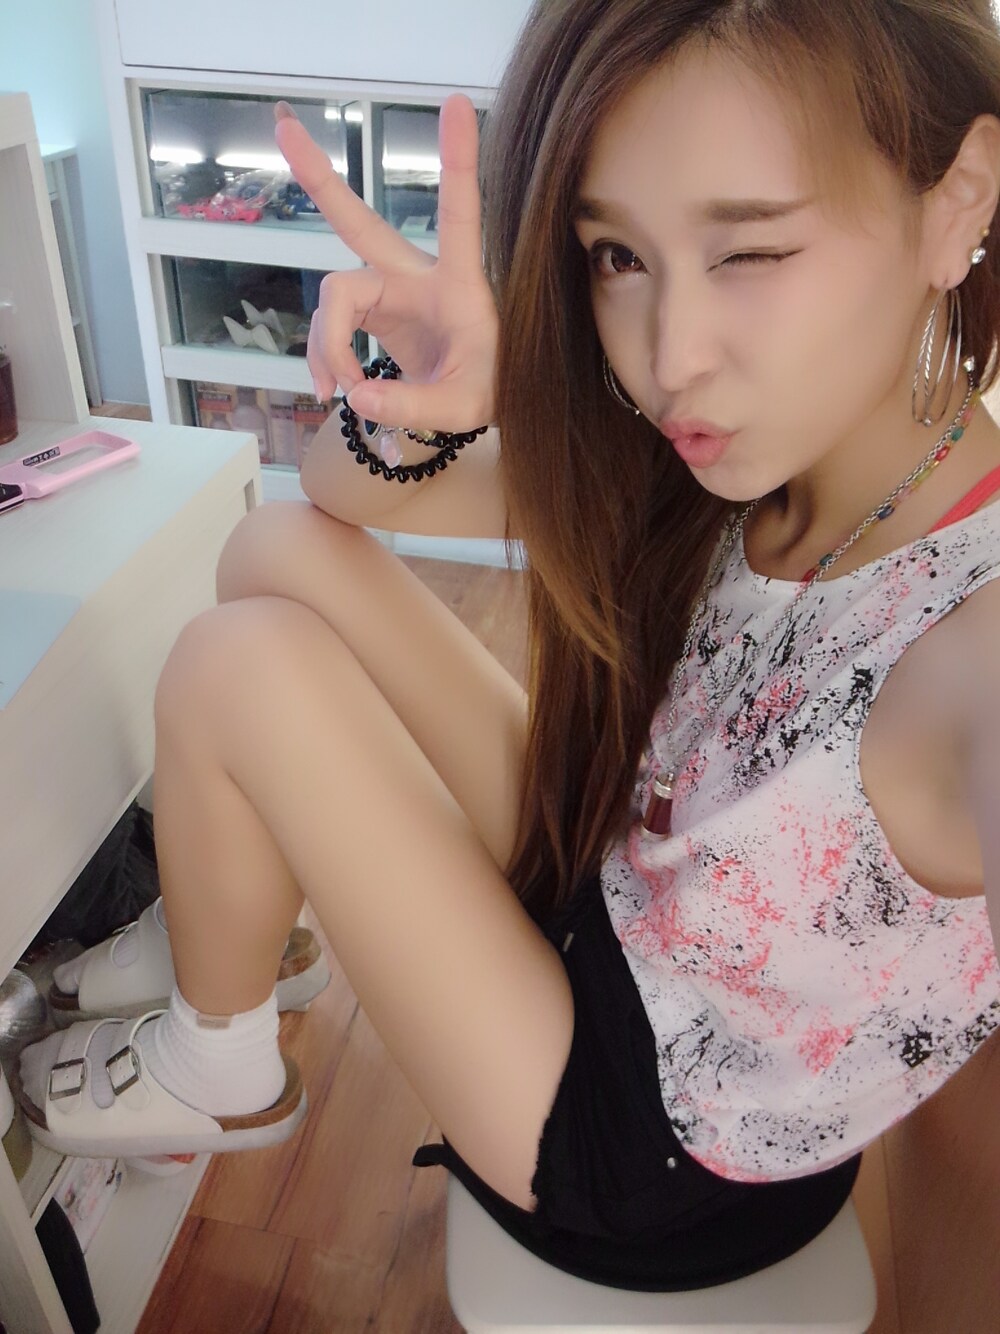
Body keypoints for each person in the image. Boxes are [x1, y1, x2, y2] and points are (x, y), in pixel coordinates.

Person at [16, 0, 1000, 1294]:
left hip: (652, 1145)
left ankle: (218, 1059)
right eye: (617, 255)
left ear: (957, 200)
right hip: (625, 888)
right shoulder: (763, 458)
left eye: (751, 250)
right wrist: (437, 395)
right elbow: (339, 497)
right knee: (276, 554)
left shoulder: (971, 647)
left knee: (233, 667)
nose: (669, 357)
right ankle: (234, 938)